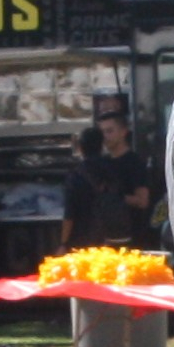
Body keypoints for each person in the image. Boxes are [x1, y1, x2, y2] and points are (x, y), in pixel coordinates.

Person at [61, 106, 158, 249]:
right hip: (102, 237)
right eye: (102, 132)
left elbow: (142, 201)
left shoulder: (134, 162)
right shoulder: (101, 163)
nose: (105, 136)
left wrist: (114, 196)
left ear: (124, 131)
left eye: (110, 131)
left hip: (130, 237)